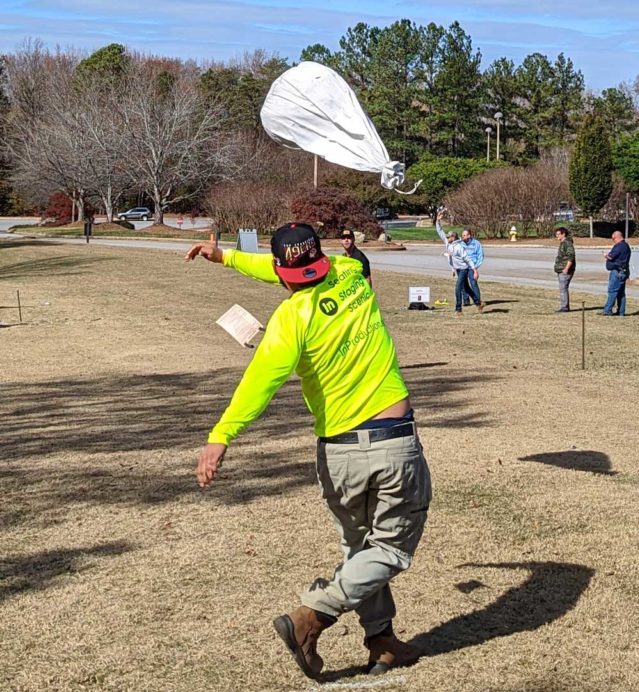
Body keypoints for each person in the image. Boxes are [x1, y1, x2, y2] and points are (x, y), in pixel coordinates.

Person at [185, 223, 431, 680]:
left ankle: (382, 641)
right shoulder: (350, 272)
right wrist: (228, 258)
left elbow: (259, 383)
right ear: (320, 258)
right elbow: (278, 268)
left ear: (282, 274)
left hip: (338, 454)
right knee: (392, 548)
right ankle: (310, 617)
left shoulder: (288, 320)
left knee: (362, 546)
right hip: (392, 442)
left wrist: (221, 437)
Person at [435, 209, 483, 317]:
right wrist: (438, 221)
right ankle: (478, 303)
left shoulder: (459, 247)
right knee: (466, 288)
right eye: (447, 237)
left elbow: (468, 259)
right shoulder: (448, 244)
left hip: (464, 269)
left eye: (449, 236)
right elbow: (440, 232)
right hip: (457, 269)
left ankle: (458, 310)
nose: (447, 238)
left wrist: (475, 270)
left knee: (458, 288)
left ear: (454, 237)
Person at [601, 231, 631, 316]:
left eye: (613, 239)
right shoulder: (625, 246)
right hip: (622, 271)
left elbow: (611, 256)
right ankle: (621, 311)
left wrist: (606, 255)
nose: (613, 241)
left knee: (612, 291)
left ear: (617, 237)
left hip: (618, 272)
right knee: (620, 292)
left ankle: (607, 310)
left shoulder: (620, 246)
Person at [553, 226, 576, 312]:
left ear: (564, 234)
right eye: (556, 234)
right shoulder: (563, 243)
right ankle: (564, 306)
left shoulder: (567, 243)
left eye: (558, 234)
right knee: (562, 288)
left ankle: (564, 307)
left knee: (563, 288)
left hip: (565, 270)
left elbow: (571, 256)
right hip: (561, 269)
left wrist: (566, 268)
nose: (557, 236)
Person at [460, 228, 484, 307]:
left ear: (469, 235)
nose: (463, 237)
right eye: (462, 235)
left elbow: (480, 256)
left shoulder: (476, 243)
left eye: (464, 235)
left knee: (473, 283)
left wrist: (476, 267)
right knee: (463, 283)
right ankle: (466, 300)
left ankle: (477, 300)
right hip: (463, 266)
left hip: (472, 267)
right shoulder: (460, 244)